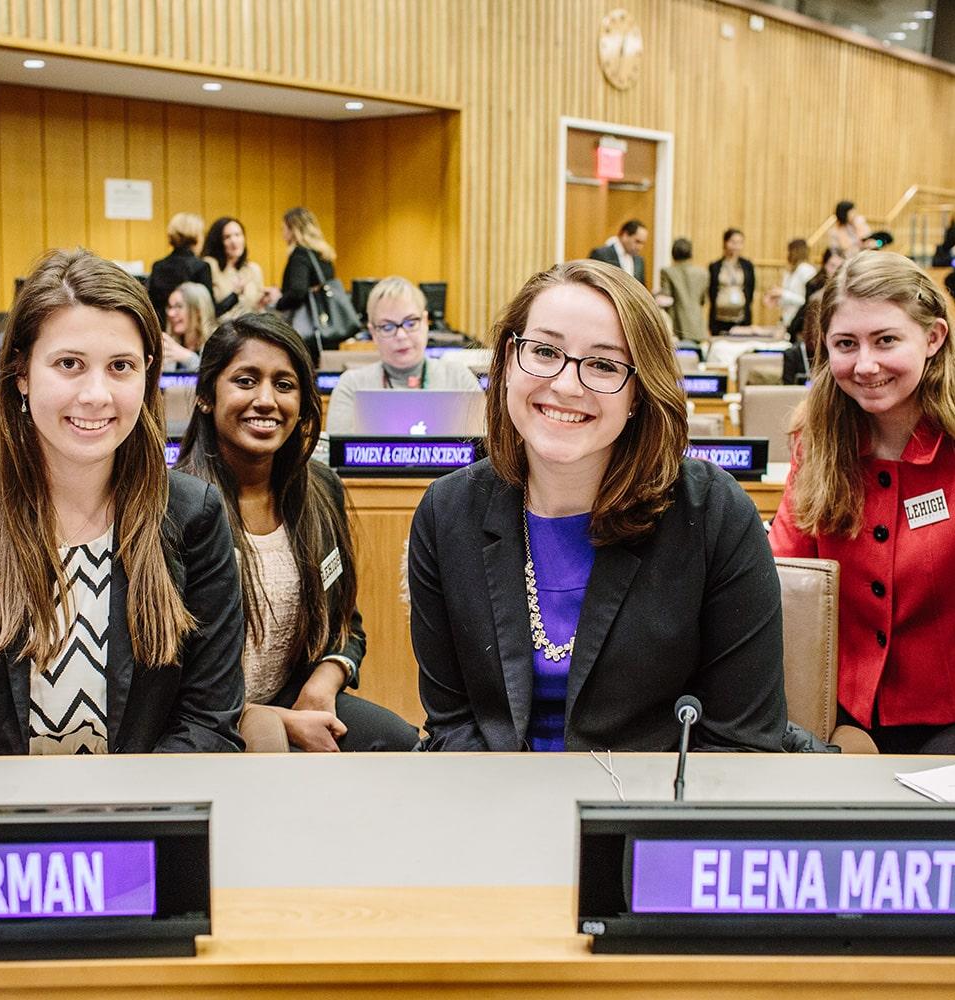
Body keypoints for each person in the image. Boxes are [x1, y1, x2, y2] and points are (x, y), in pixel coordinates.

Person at [409, 259, 787, 752]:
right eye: (545, 351)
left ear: (638, 393)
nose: (566, 385)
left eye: (604, 364)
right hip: (496, 801)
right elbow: (452, 722)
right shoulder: (447, 511)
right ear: (507, 362)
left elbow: (742, 739)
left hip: (652, 810)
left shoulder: (713, 513)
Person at [0, 248, 245, 755]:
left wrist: (128, 819)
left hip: (141, 821)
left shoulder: (194, 516)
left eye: (120, 366)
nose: (96, 394)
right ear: (21, 373)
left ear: (147, 374)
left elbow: (208, 721)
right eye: (69, 364)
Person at [177, 312, 418, 752]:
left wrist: (325, 681)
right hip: (198, 718)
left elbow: (346, 623)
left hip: (293, 696)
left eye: (284, 385)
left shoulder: (321, 489)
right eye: (246, 381)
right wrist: (276, 721)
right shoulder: (176, 506)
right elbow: (163, 674)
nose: (266, 400)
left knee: (402, 745)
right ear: (207, 396)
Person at [769, 251, 955, 754]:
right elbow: (786, 580)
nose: (865, 364)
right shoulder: (817, 441)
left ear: (933, 338)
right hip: (839, 721)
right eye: (846, 344)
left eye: (886, 340)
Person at [325, 276, 482, 434]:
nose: (401, 335)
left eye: (411, 323)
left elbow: (483, 449)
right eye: (387, 327)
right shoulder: (351, 386)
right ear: (373, 332)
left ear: (425, 322)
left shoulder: (459, 379)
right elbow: (340, 452)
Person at [201, 216, 266, 316]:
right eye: (227, 237)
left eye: (238, 235)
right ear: (218, 242)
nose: (234, 241)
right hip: (219, 328)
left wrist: (267, 301)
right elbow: (207, 310)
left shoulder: (253, 269)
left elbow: (258, 308)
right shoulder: (210, 265)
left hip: (249, 328)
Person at [658, 238, 708, 342]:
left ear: (673, 253)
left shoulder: (667, 272)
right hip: (698, 327)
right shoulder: (703, 273)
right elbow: (702, 300)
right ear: (691, 253)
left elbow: (666, 299)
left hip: (678, 326)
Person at [707, 228, 755, 335]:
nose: (736, 246)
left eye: (739, 243)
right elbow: (711, 291)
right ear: (725, 243)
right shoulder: (715, 266)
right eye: (733, 242)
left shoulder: (747, 266)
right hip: (719, 318)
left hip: (741, 318)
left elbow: (750, 290)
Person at [163, 281, 216, 372]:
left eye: (178, 306)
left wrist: (188, 358)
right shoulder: (171, 345)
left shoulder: (217, 343)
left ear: (198, 311)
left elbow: (213, 378)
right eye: (170, 307)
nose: (170, 313)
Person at [765, 238, 817, 329]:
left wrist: (782, 293)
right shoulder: (789, 272)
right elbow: (789, 299)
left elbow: (806, 301)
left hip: (799, 322)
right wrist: (776, 298)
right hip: (786, 320)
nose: (787, 255)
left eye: (789, 251)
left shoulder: (806, 270)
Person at [589, 219, 648, 286]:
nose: (640, 247)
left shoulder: (639, 261)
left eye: (643, 243)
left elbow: (642, 288)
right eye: (637, 241)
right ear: (625, 235)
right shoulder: (600, 254)